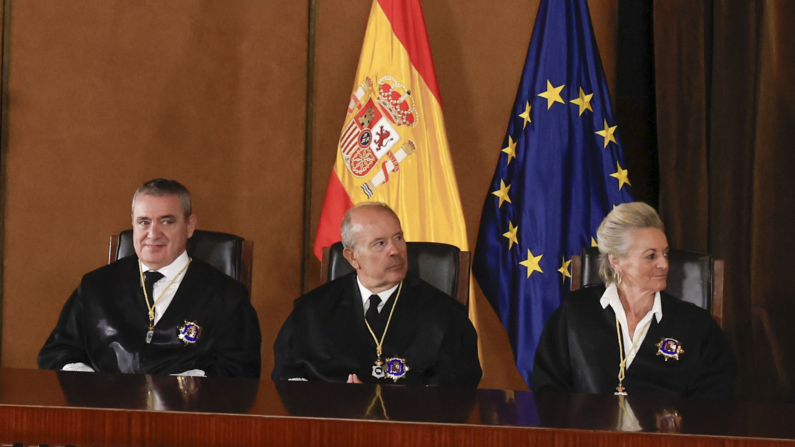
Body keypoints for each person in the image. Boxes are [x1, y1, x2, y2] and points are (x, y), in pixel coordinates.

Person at [38, 178, 261, 378]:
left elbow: (240, 369)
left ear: (189, 226)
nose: (153, 234)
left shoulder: (226, 297)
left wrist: (183, 389)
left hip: (187, 417)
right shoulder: (96, 287)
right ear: (133, 224)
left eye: (166, 222)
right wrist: (91, 384)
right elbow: (58, 351)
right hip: (103, 414)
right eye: (144, 222)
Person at [532, 202, 735, 399]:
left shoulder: (696, 325)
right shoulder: (576, 312)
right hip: (588, 432)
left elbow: (713, 400)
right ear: (616, 261)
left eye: (665, 253)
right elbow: (549, 388)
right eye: (650, 256)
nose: (664, 264)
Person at [272, 202, 481, 386]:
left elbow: (456, 391)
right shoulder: (311, 311)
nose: (395, 250)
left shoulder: (445, 316)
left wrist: (379, 401)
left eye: (398, 238)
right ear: (352, 257)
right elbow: (287, 377)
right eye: (380, 243)